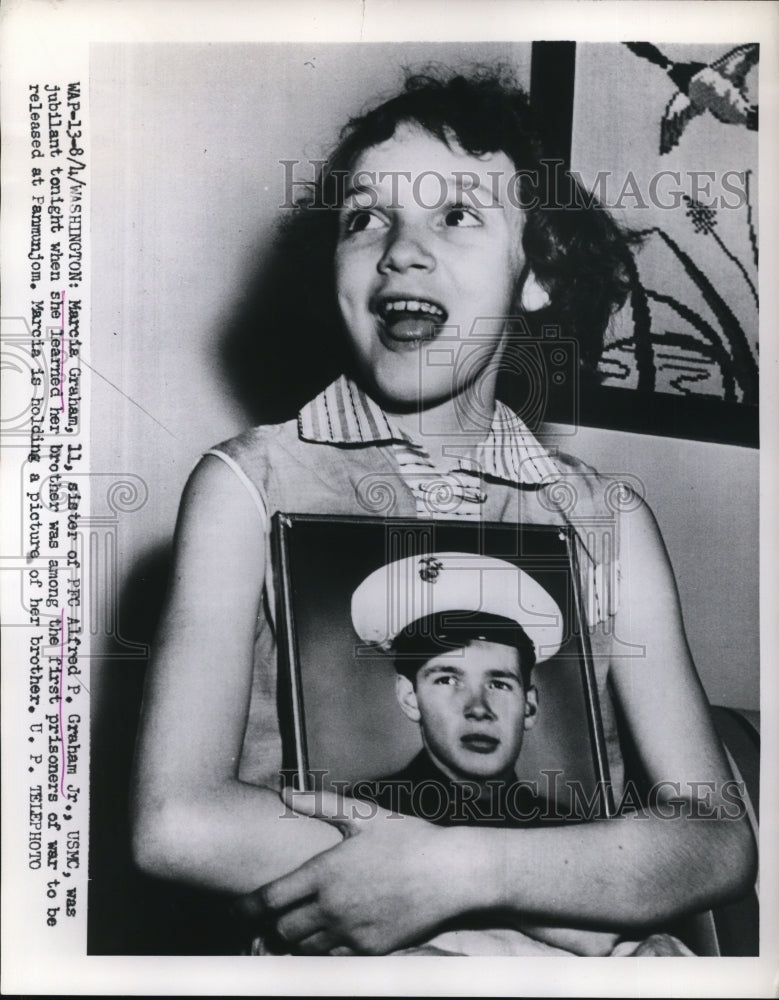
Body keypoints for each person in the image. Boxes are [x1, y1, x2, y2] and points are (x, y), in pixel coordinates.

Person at [130, 67, 756, 956]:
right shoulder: (248, 487)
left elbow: (717, 839)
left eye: (456, 214)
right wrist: (526, 890)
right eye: (364, 219)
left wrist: (466, 871)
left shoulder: (604, 516)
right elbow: (175, 823)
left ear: (536, 270)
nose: (400, 250)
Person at [344, 552, 694, 956]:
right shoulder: (363, 817)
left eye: (499, 684)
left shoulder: (575, 833)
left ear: (529, 705)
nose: (477, 707)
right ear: (409, 698)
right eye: (447, 679)